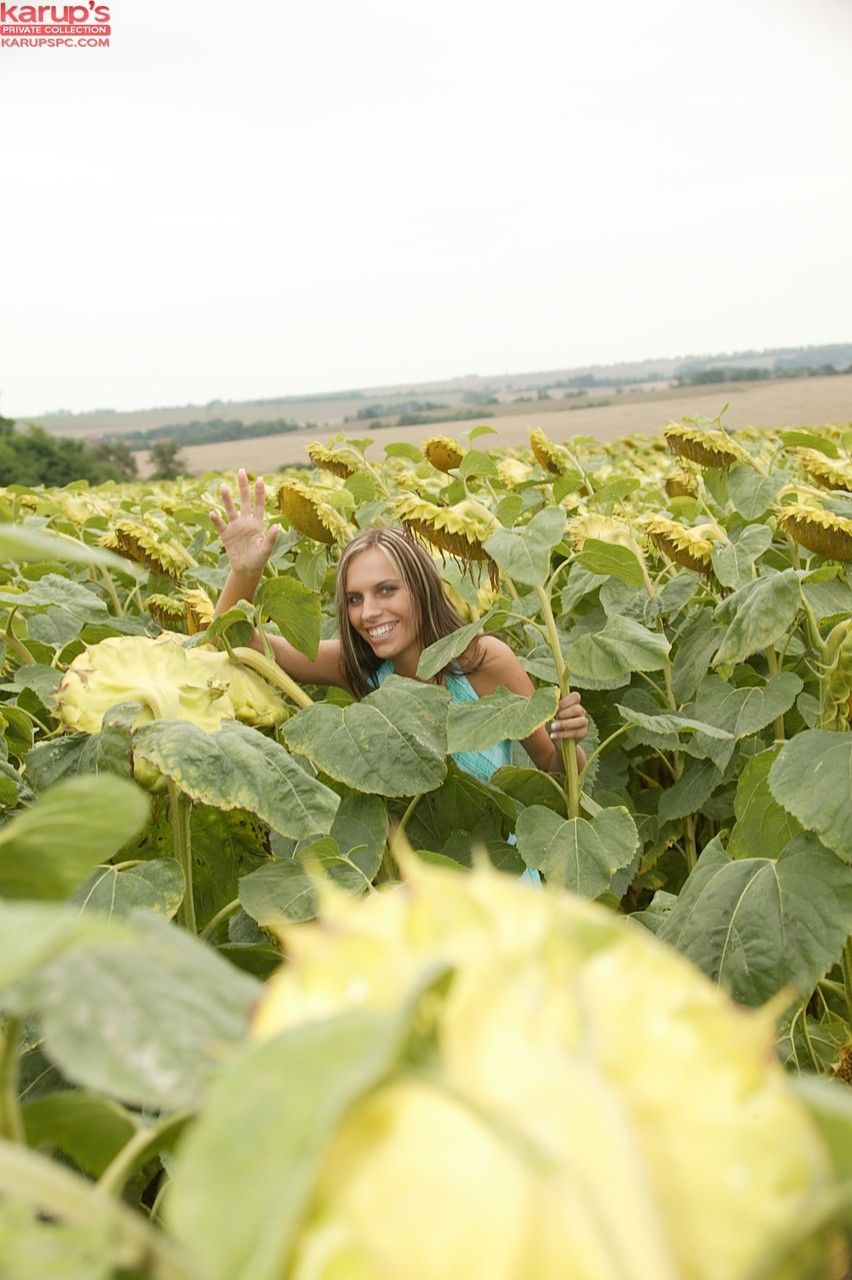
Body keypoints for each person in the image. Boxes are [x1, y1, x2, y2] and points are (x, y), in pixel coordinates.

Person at [211, 469, 588, 783]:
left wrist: (568, 739)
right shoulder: (360, 666)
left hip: (495, 872)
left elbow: (553, 771)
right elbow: (237, 644)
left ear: (421, 589)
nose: (369, 612)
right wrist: (245, 571)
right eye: (355, 599)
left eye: (386, 590)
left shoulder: (480, 660)